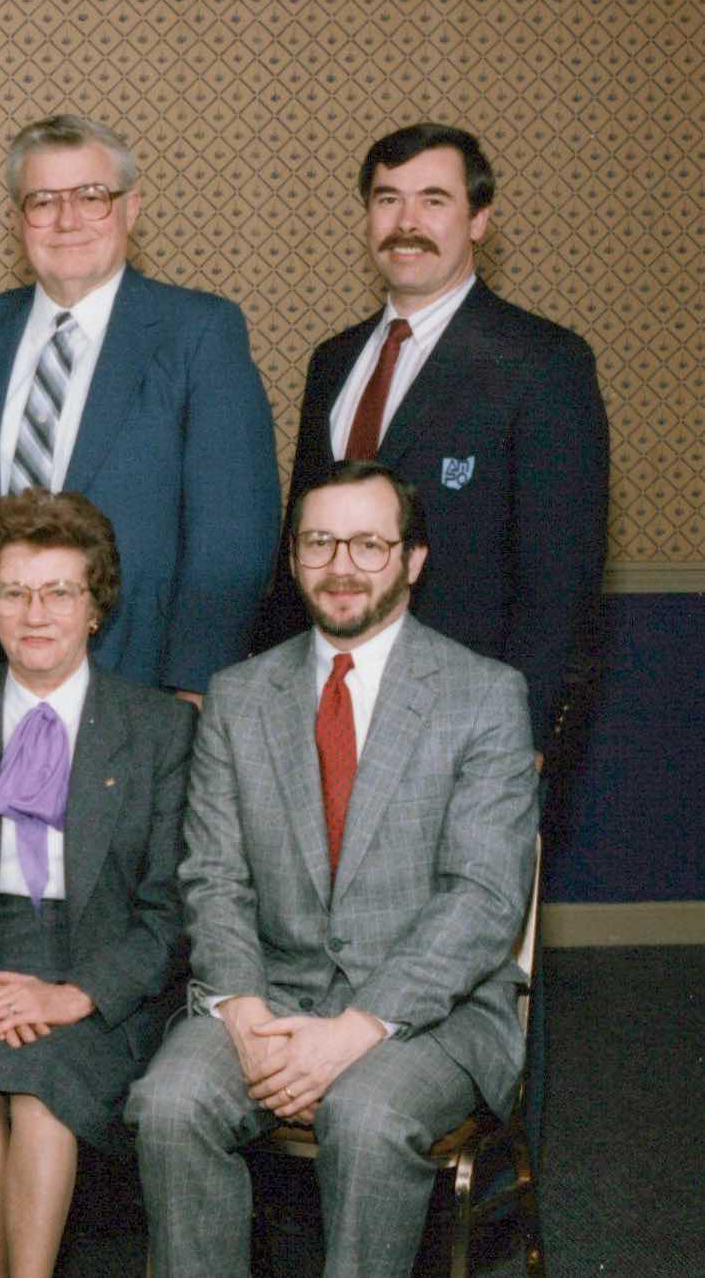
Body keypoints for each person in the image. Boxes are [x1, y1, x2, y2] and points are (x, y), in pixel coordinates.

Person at [128, 460, 538, 1278]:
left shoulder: (483, 695)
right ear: (292, 559)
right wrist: (241, 1011)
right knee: (170, 1103)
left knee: (367, 1112)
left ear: (412, 560)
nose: (341, 565)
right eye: (319, 542)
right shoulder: (239, 695)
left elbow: (484, 899)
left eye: (367, 544)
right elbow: (213, 876)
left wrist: (357, 1030)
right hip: (270, 990)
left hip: (434, 1013)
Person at [0, 488, 193, 1276]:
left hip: (102, 967)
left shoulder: (161, 730)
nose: (36, 613)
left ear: (96, 608)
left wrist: (76, 994)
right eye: (13, 592)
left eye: (61, 591)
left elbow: (173, 906)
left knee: (43, 1090)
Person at [262, 122, 609, 765]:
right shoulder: (334, 362)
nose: (406, 222)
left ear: (479, 221)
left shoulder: (543, 363)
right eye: (388, 199)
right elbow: (301, 543)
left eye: (433, 200)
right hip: (321, 713)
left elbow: (560, 581)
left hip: (464, 730)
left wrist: (521, 741)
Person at [0, 115, 279, 703]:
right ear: (17, 219)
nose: (67, 219)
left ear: (131, 210)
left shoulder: (199, 332)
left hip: (140, 688)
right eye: (43, 200)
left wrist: (192, 692)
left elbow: (231, 540)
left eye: (92, 197)